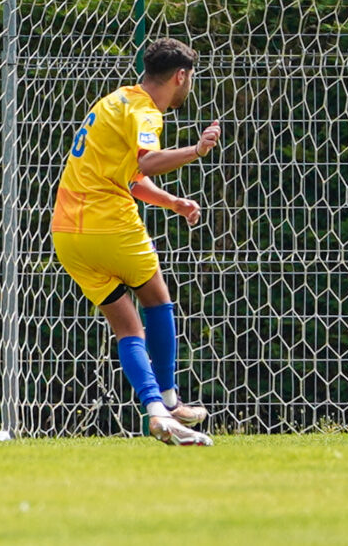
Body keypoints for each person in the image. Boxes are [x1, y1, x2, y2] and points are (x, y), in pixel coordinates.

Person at [51, 38, 221, 446]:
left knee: (127, 326)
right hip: (111, 225)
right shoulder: (146, 112)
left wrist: (172, 202)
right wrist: (196, 150)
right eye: (189, 79)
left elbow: (127, 175)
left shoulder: (112, 102)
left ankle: (157, 413)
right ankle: (170, 399)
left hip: (68, 235)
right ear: (180, 76)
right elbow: (147, 162)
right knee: (158, 301)